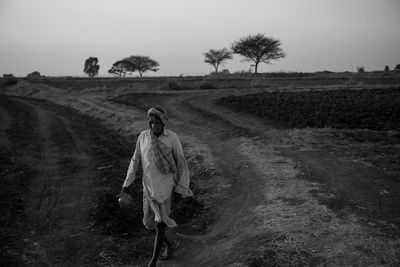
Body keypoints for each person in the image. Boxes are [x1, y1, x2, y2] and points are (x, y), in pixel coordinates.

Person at [120, 107, 193, 267]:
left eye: (156, 123)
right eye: (150, 122)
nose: (152, 126)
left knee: (160, 224)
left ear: (163, 122)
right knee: (148, 223)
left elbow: (181, 163)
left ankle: (153, 261)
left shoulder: (172, 138)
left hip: (165, 188)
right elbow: (135, 161)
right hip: (148, 187)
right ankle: (172, 244)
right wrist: (126, 185)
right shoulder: (143, 137)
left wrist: (181, 187)